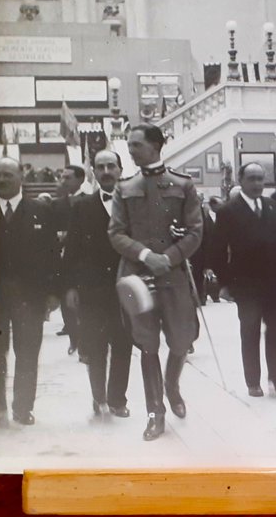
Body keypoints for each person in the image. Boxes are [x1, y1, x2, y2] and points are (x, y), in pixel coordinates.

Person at [108, 123, 203, 441]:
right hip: (139, 279)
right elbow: (116, 233)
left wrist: (171, 257)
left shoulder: (183, 185)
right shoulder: (124, 187)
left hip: (174, 279)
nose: (131, 150)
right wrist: (147, 255)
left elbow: (195, 231)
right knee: (147, 346)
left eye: (136, 145)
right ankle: (155, 413)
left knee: (180, 341)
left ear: (155, 146)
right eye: (130, 145)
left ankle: (172, 385)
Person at [0, 157, 60, 426]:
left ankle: (23, 408)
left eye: (8, 174)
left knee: (27, 353)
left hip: (30, 298)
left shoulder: (41, 211)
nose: (3, 180)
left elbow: (53, 254)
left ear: (21, 177)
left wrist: (54, 293)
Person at [63, 150, 132, 419]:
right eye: (100, 167)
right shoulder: (81, 206)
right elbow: (72, 249)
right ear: (93, 171)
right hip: (92, 289)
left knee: (123, 343)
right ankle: (98, 398)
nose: (105, 171)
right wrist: (70, 287)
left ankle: (117, 400)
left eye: (111, 166)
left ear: (120, 169)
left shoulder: (132, 203)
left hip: (126, 286)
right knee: (96, 346)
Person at [211, 163, 276, 397]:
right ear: (241, 180)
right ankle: (253, 382)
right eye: (252, 179)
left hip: (274, 283)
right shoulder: (228, 211)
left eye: (261, 179)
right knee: (250, 330)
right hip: (245, 284)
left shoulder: (274, 207)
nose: (257, 184)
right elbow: (216, 250)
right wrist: (225, 283)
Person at [54, 164, 87, 354]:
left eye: (68, 177)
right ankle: (75, 340)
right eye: (62, 177)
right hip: (63, 259)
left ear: (80, 179)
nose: (63, 181)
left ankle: (86, 341)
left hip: (85, 260)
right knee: (67, 302)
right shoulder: (56, 204)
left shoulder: (90, 201)